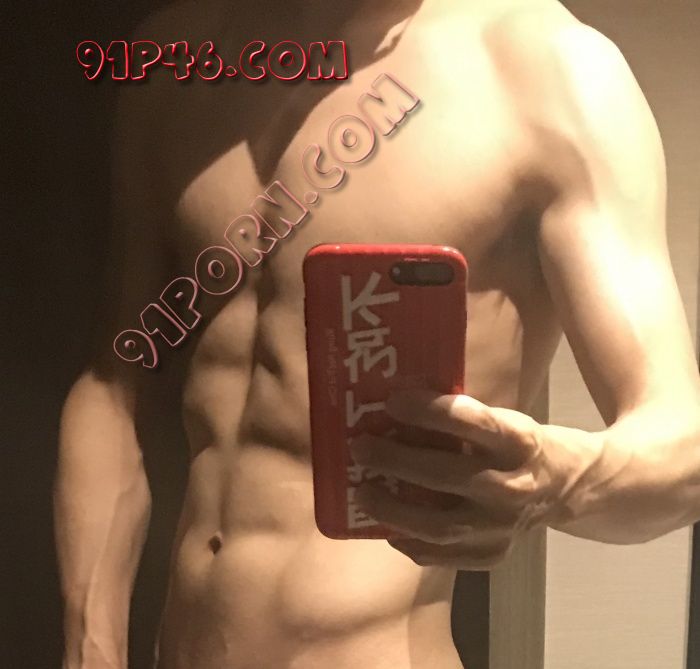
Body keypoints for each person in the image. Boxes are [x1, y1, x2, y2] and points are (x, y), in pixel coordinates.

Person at [55, 0, 700, 667]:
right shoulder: (179, 59)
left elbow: (684, 449)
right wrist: (89, 646)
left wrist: (554, 482)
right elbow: (112, 385)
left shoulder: (547, 69)